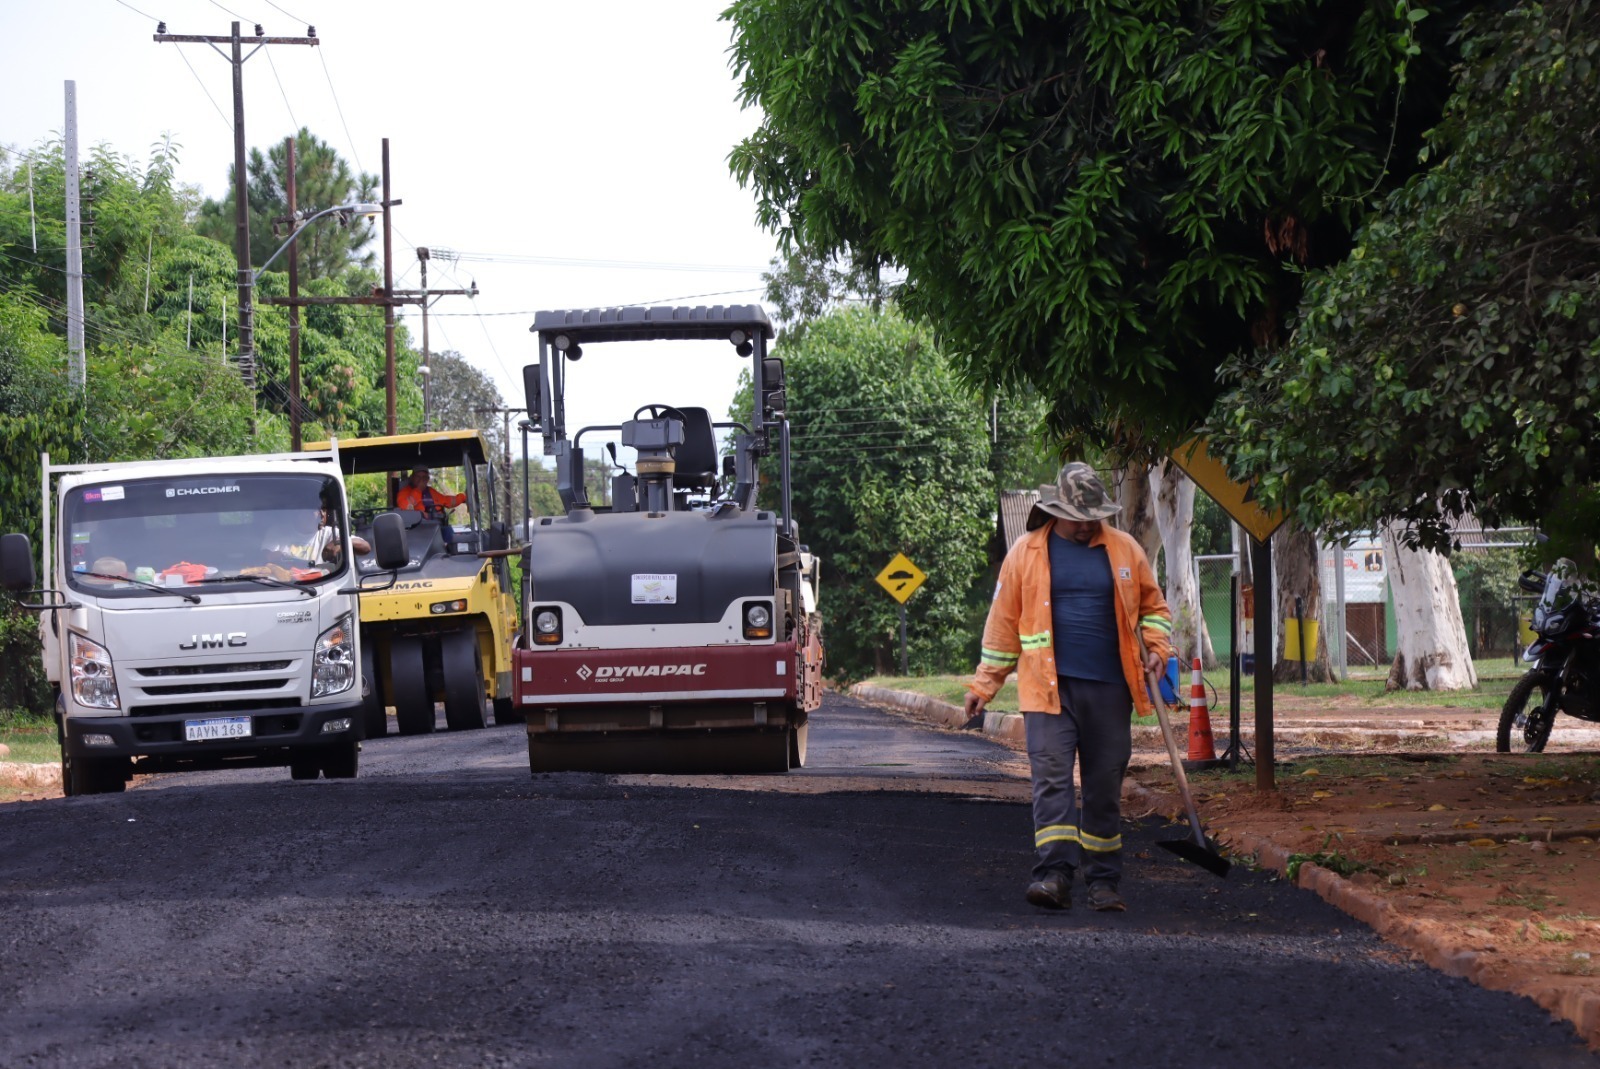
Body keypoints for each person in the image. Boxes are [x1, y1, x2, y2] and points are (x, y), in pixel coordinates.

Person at [964, 461, 1173, 913]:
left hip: (1110, 691)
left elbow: (1154, 608)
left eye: (1093, 518)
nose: (1086, 527)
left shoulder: (1124, 550)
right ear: (1056, 510)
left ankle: (1103, 881)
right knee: (1052, 782)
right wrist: (984, 685)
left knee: (1103, 785)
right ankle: (1054, 876)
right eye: (1078, 519)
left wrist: (1157, 647)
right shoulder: (1026, 552)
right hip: (1047, 692)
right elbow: (1003, 625)